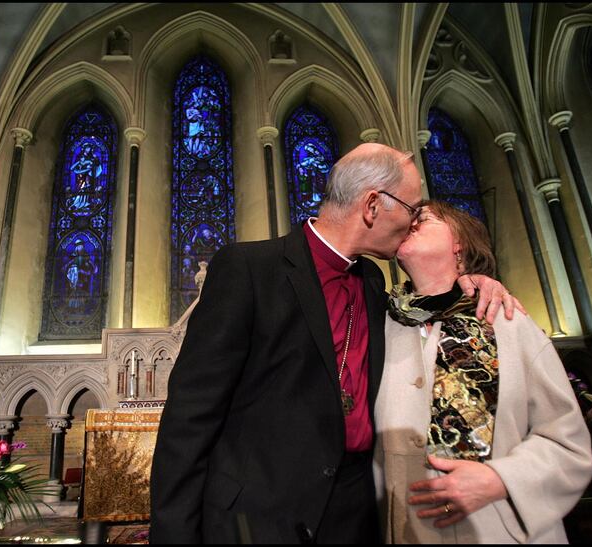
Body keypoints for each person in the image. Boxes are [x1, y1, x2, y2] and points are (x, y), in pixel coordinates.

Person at [149, 144, 521, 543]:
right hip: (255, 519)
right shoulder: (249, 269)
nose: (414, 222)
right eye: (413, 209)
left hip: (353, 515)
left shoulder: (376, 283)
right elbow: (190, 418)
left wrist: (475, 282)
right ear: (373, 205)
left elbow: (428, 315)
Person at [373, 200, 592, 544]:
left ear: (459, 243)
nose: (410, 221)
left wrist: (502, 478)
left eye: (424, 218)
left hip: (500, 528)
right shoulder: (382, 328)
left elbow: (568, 444)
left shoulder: (506, 321)